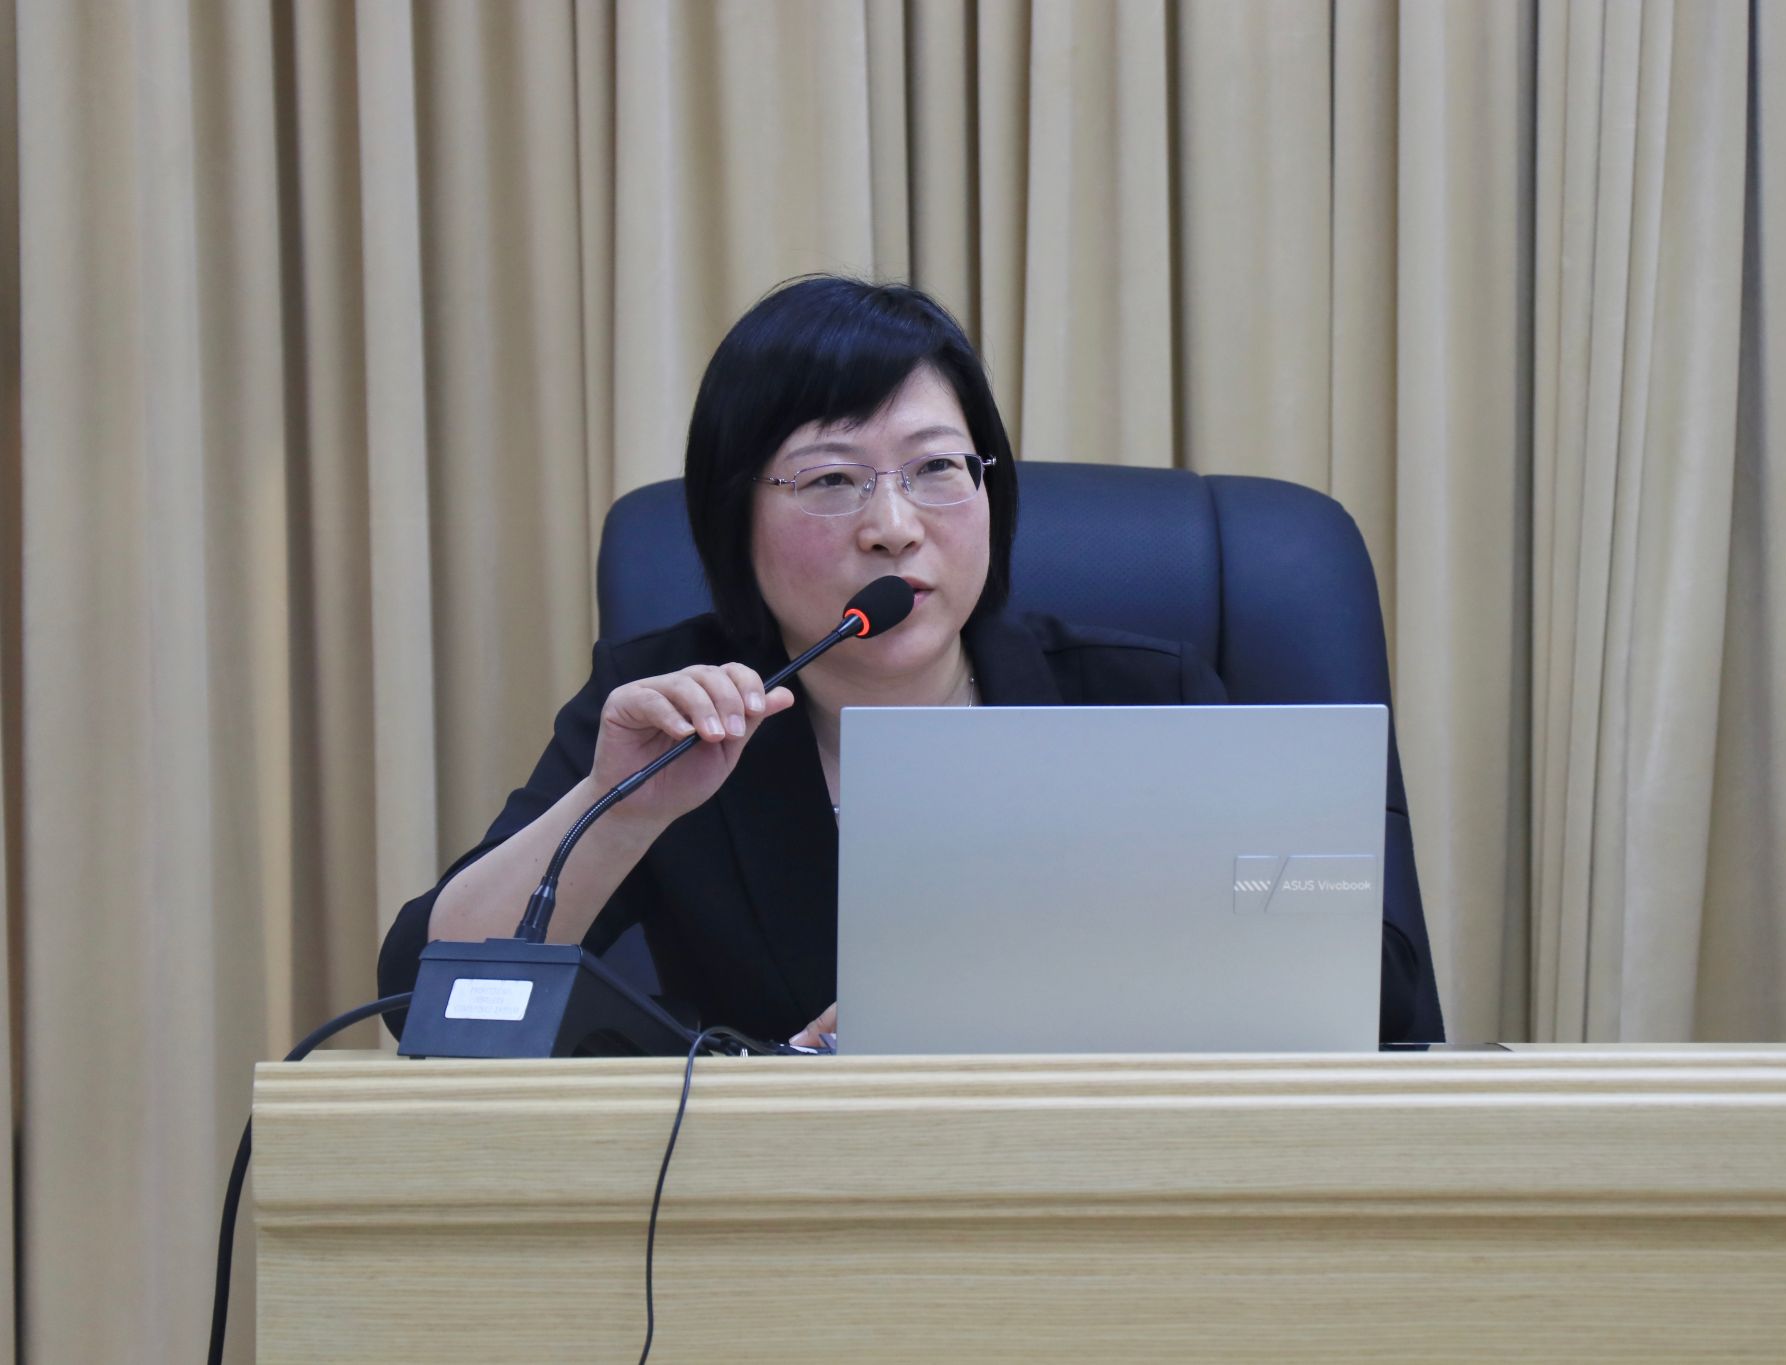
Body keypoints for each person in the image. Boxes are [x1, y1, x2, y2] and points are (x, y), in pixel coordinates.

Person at [377, 276, 1422, 1044]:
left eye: (935, 470)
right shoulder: (669, 714)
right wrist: (619, 809)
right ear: (733, 521)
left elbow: (1376, 1001)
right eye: (831, 481)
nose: (892, 527)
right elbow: (428, 997)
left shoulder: (1149, 697)